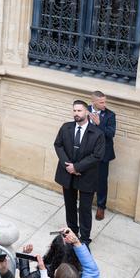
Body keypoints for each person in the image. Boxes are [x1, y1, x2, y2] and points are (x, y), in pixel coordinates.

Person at [53, 100, 106, 246]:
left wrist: (77, 167)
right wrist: (68, 166)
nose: (76, 113)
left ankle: (85, 238)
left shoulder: (97, 134)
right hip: (67, 174)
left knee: (84, 209)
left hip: (86, 177)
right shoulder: (66, 127)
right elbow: (58, 145)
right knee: (70, 206)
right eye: (74, 111)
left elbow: (97, 156)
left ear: (87, 112)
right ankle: (71, 232)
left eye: (79, 111)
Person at [89, 91, 116, 221]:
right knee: (86, 178)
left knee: (101, 181)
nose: (104, 104)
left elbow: (111, 134)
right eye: (101, 102)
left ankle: (101, 207)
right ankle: (86, 203)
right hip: (87, 152)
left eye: (105, 101)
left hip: (103, 154)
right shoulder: (85, 110)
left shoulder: (110, 115)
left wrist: (100, 124)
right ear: (93, 102)